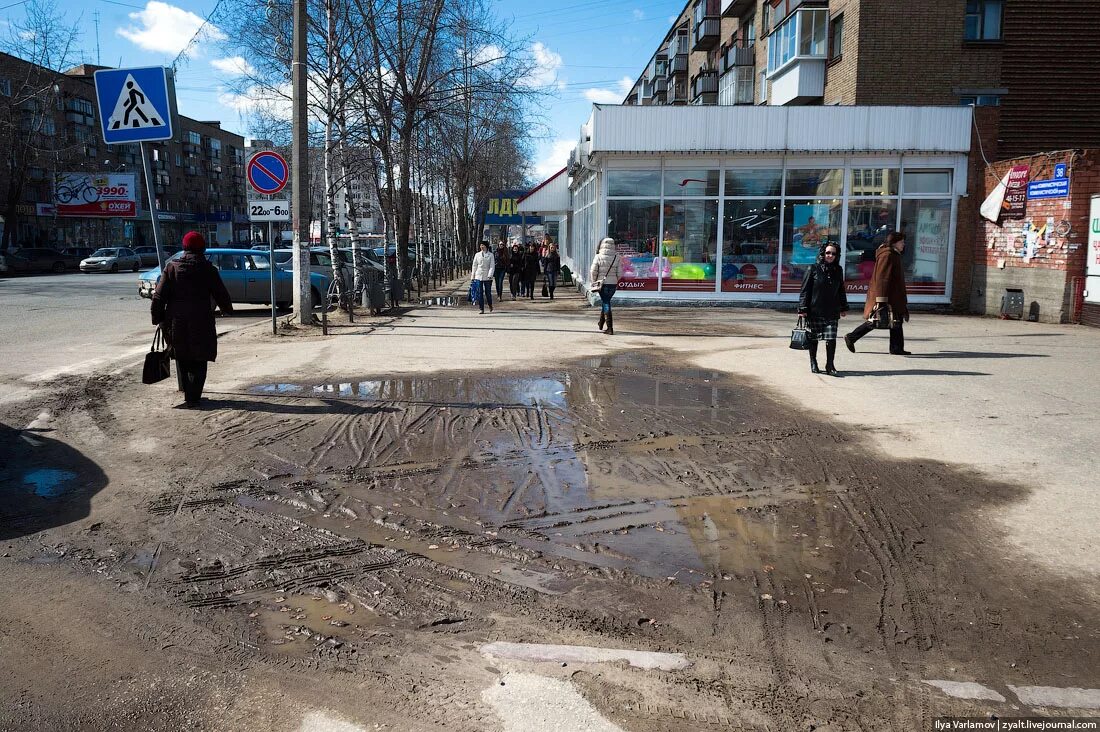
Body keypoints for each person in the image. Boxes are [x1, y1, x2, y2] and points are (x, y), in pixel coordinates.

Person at [151, 231, 232, 408]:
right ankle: (193, 397)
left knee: (182, 356)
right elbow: (221, 294)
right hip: (202, 321)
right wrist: (228, 309)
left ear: (184, 247)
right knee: (200, 358)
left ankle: (189, 394)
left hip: (176, 322)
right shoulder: (209, 269)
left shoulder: (172, 267)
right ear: (202, 248)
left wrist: (157, 318)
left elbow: (159, 296)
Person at [844, 231, 911, 355]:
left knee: (896, 321)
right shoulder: (887, 255)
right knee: (876, 320)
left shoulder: (893, 254)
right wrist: (881, 299)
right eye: (901, 242)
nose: (903, 244)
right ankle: (852, 337)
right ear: (894, 243)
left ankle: (896, 348)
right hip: (888, 297)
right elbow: (882, 278)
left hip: (893, 296)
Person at [798, 243, 849, 376]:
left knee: (831, 338)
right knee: (813, 338)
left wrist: (843, 306)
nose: (830, 256)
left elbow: (841, 290)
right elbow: (805, 291)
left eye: (833, 253)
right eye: (828, 253)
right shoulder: (812, 269)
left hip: (832, 310)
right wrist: (802, 308)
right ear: (822, 254)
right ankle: (813, 361)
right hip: (815, 310)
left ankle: (830, 365)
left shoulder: (838, 270)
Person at [589, 237, 621, 335]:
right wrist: (616, 280)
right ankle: (601, 323)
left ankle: (610, 327)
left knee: (606, 303)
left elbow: (593, 271)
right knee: (606, 301)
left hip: (602, 284)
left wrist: (594, 281)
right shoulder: (617, 257)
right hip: (613, 284)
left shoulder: (598, 256)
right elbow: (620, 273)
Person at [470, 240, 494, 314]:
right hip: (478, 275)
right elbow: (474, 265)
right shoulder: (477, 255)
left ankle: (490, 304)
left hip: (487, 276)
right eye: (481, 245)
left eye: (483, 245)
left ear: (486, 246)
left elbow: (492, 266)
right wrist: (473, 275)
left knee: (488, 293)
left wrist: (490, 275)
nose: (481, 247)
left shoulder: (490, 255)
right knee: (480, 292)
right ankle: (481, 308)